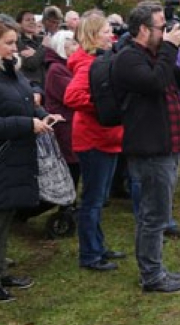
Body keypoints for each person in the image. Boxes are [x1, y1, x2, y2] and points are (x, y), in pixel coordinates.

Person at [0, 18, 64, 302]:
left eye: (14, 42)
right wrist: (26, 124)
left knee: (5, 217)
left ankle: (2, 271)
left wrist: (44, 116)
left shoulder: (8, 71)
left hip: (13, 156)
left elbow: (26, 99)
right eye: (8, 43)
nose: (14, 48)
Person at [111, 3, 180, 294]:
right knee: (153, 215)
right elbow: (155, 84)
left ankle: (156, 269)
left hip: (169, 145)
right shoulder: (128, 58)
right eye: (162, 27)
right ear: (144, 29)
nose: (167, 31)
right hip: (150, 148)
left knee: (160, 212)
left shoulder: (156, 55)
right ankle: (151, 276)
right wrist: (169, 49)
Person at [64, 15, 125, 271]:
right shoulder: (88, 64)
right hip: (93, 140)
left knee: (98, 199)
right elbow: (72, 97)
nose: (111, 35)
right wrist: (104, 106)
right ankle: (90, 255)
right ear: (92, 35)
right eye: (106, 31)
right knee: (93, 200)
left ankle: (98, 246)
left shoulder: (100, 60)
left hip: (107, 139)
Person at [43, 30, 80, 188]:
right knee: (70, 164)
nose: (77, 47)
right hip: (65, 123)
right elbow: (71, 95)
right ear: (61, 46)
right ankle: (67, 206)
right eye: (73, 43)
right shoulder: (57, 69)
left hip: (72, 122)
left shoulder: (68, 67)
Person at [16, 10, 46, 88]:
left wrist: (36, 53)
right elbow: (32, 64)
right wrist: (42, 48)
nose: (32, 22)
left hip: (45, 83)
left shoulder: (39, 40)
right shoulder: (18, 42)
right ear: (19, 24)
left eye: (33, 19)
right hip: (32, 85)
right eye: (27, 20)